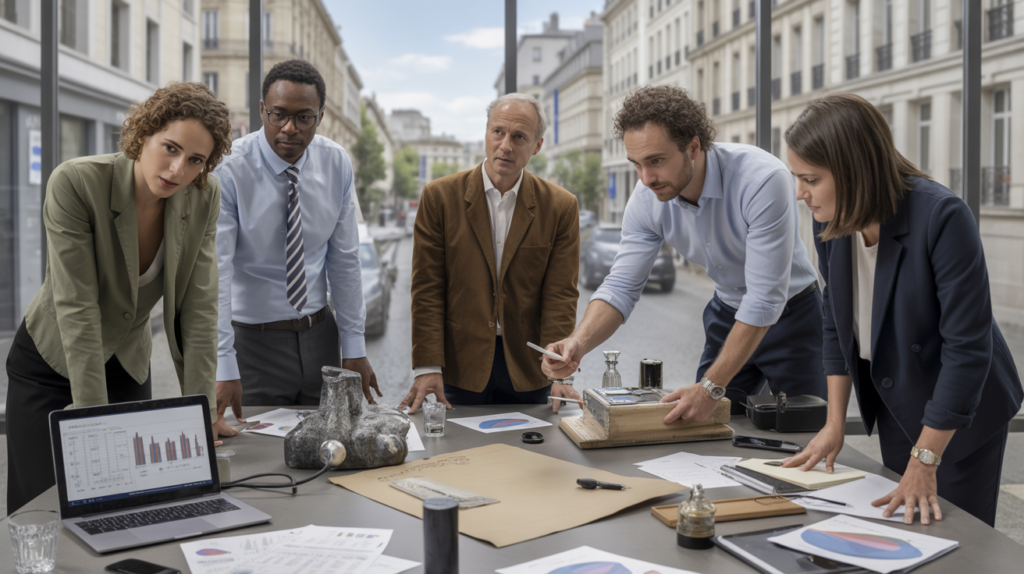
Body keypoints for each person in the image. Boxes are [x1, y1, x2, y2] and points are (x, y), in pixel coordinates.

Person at [781, 93, 1023, 527]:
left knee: (958, 543)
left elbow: (967, 352)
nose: (800, 194)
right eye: (798, 178)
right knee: (906, 533)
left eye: (811, 179)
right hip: (899, 399)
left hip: (960, 412)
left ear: (853, 171)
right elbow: (836, 326)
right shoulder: (830, 220)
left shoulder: (943, 217)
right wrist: (835, 423)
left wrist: (925, 460)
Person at [5, 82, 233, 513]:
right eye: (170, 148)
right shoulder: (75, 182)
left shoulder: (205, 197)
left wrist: (201, 414)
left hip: (126, 363)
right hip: (51, 366)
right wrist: (92, 419)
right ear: (144, 132)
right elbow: (77, 306)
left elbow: (201, 308)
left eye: (195, 160)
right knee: (46, 510)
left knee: (129, 506)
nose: (178, 169)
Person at [543, 85, 826, 423]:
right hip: (727, 312)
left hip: (793, 317)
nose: (646, 178)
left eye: (656, 161)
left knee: (803, 431)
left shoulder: (763, 179)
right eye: (636, 164)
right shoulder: (646, 197)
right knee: (703, 426)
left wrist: (709, 387)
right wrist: (579, 342)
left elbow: (765, 299)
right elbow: (620, 286)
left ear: (693, 146)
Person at [215, 59, 380, 421]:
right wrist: (223, 363)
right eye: (278, 115)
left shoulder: (336, 163)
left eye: (304, 117)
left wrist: (354, 347)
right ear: (262, 110)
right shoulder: (230, 168)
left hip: (320, 336)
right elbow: (217, 273)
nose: (289, 128)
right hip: (251, 343)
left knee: (331, 450)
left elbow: (345, 261)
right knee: (259, 459)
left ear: (320, 117)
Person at [399, 93, 581, 414]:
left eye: (519, 136)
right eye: (498, 132)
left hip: (530, 367)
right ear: (486, 132)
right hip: (460, 366)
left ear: (536, 146)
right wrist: (427, 365)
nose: (506, 145)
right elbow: (427, 288)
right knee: (460, 458)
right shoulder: (439, 197)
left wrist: (558, 369)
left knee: (532, 459)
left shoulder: (561, 206)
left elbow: (560, 295)